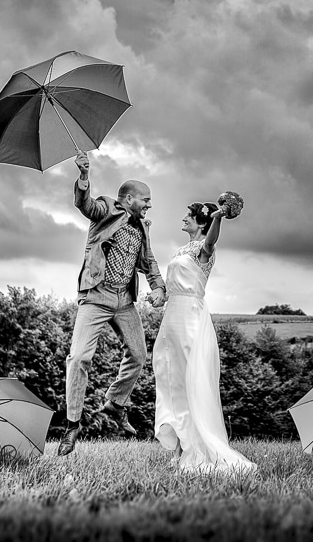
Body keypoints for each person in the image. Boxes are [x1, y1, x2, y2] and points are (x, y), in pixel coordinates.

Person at [58, 151, 165, 456]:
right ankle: (73, 425)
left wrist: (158, 286)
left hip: (125, 301)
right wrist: (82, 176)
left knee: (139, 353)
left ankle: (115, 403)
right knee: (78, 357)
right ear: (128, 198)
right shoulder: (107, 209)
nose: (148, 205)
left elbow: (148, 261)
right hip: (96, 297)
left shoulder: (141, 225)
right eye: (145, 199)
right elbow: (85, 204)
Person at [152, 200, 256, 472]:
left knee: (190, 382)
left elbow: (211, 242)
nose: (184, 218)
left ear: (201, 223)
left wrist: (219, 216)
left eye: (189, 216)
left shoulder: (203, 249)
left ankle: (198, 448)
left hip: (190, 318)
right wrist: (159, 294)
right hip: (171, 316)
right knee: (170, 379)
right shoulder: (180, 249)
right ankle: (179, 447)